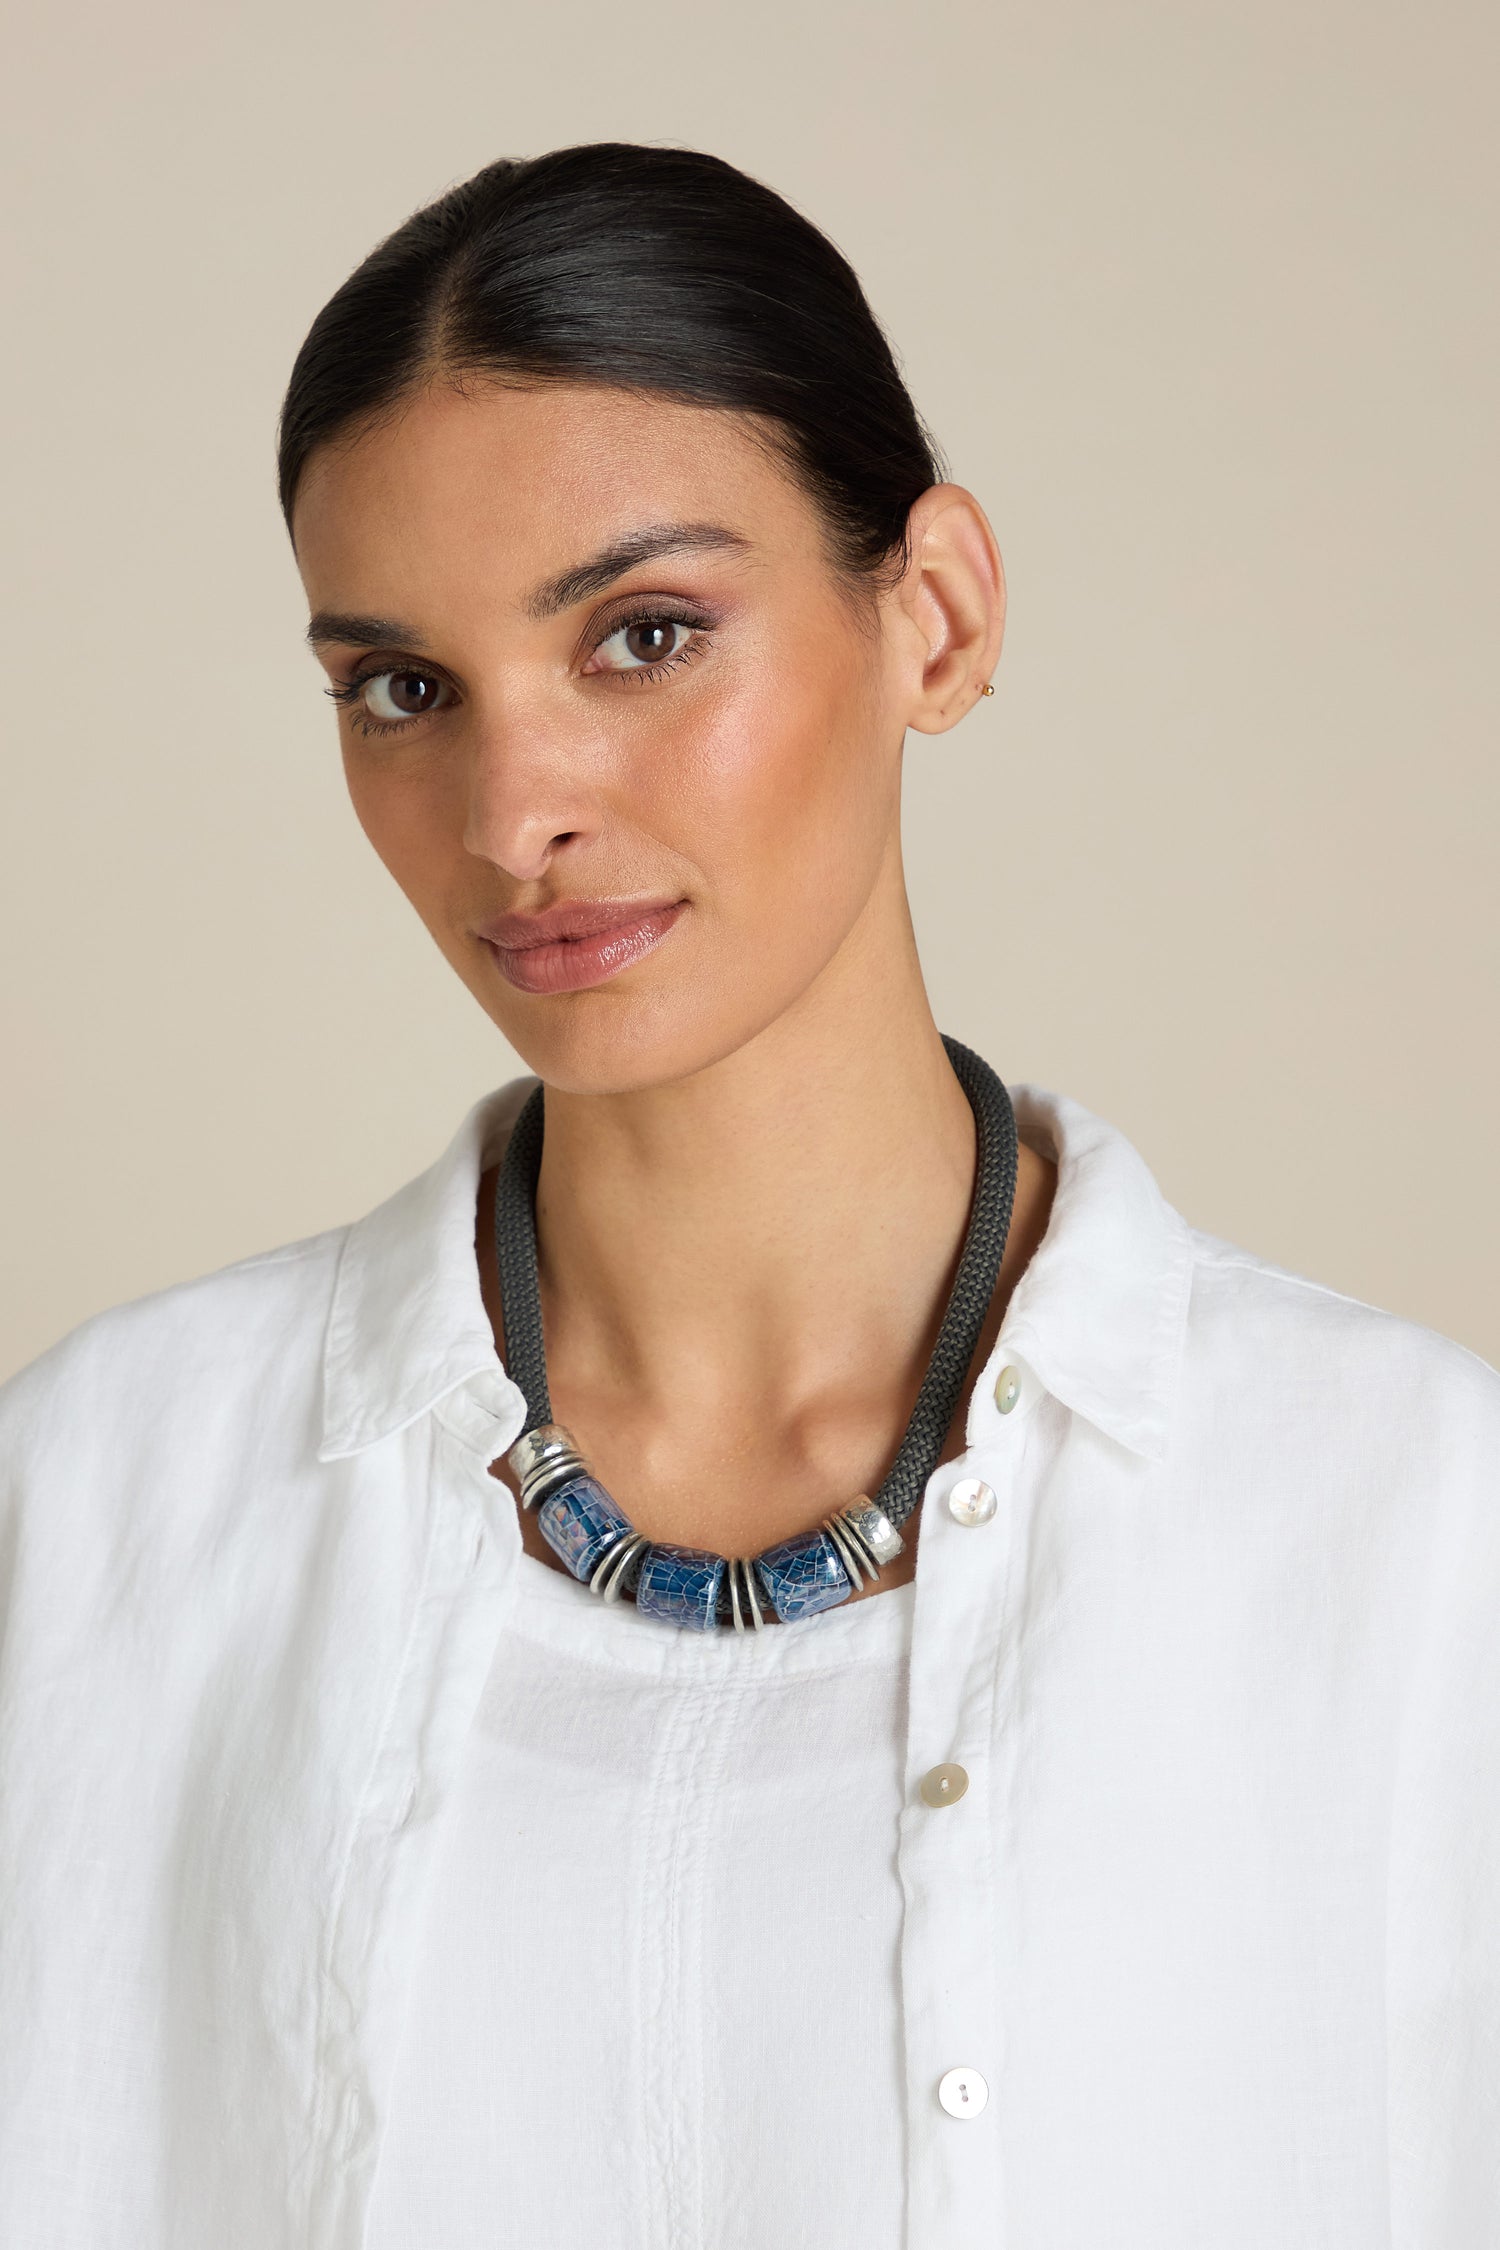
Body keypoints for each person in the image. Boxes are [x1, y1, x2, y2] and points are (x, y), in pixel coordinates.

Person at [0, 140, 1495, 2250]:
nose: (516, 809)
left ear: (940, 616)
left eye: (645, 634)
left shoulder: (1423, 1542)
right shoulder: (94, 1511)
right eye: (402, 689)